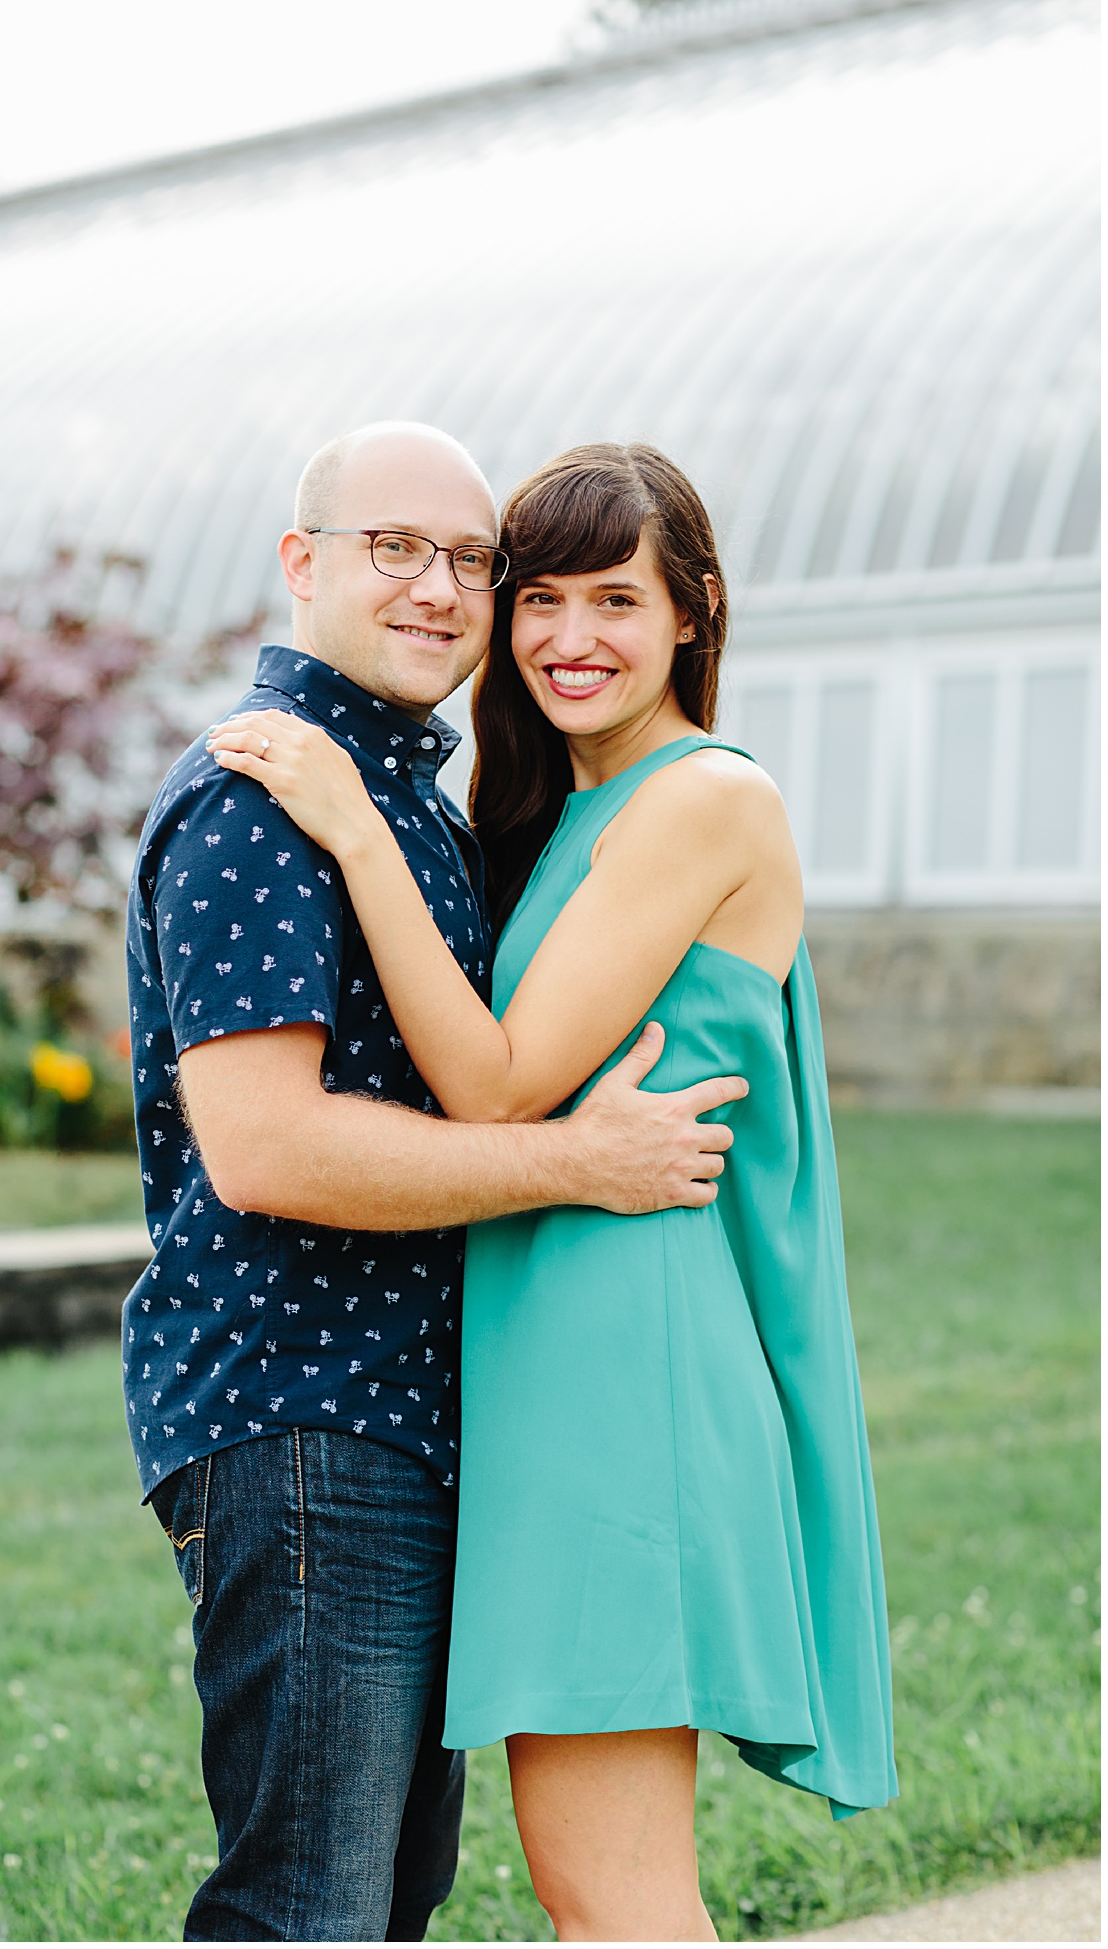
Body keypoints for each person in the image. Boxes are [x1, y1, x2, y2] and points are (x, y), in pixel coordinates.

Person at [210, 440, 898, 1943]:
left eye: (616, 601)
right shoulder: (560, 819)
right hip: (553, 1362)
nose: (566, 638)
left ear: (695, 614)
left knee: (615, 1904)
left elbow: (501, 1083)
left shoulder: (700, 799)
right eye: (538, 598)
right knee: (593, 1892)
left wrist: (352, 825)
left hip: (624, 1365)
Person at [123, 423, 750, 1943]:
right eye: (392, 548)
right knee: (310, 1909)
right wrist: (574, 1164)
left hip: (403, 1427)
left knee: (387, 1900)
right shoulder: (266, 801)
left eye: (469, 561)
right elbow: (267, 1148)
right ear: (301, 564)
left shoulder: (409, 801)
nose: (439, 590)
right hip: (306, 1413)